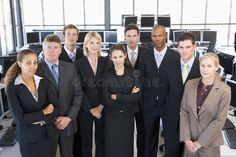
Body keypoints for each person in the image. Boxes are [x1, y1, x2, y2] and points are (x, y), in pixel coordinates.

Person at [4, 49, 59, 157]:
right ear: (20, 64)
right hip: (28, 138)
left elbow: (57, 107)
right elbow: (20, 119)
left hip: (49, 135)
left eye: (35, 62)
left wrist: (39, 119)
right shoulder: (12, 87)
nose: (33, 66)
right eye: (28, 63)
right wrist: (45, 111)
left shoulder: (43, 82)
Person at [36, 34, 83, 157]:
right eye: (49, 47)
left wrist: (69, 118)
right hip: (47, 124)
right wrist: (52, 119)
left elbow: (78, 94)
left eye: (56, 47)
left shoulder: (70, 68)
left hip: (67, 122)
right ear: (43, 49)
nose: (52, 51)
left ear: (60, 50)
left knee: (67, 154)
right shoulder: (36, 70)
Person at [138, 25, 179, 157]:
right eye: (154, 36)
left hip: (169, 104)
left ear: (165, 35)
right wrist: (142, 101)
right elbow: (141, 79)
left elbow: (178, 82)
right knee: (150, 139)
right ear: (151, 37)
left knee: (170, 139)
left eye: (160, 35)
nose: (157, 38)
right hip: (149, 105)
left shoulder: (175, 56)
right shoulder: (144, 55)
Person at [180, 52, 231, 157]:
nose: (205, 69)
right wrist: (186, 138)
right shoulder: (190, 85)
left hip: (210, 143)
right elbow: (184, 112)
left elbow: (219, 120)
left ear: (216, 67)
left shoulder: (224, 90)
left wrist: (199, 143)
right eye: (202, 65)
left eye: (209, 66)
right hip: (190, 142)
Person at [162, 32, 201, 157]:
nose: (184, 51)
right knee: (172, 153)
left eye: (188, 47)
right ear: (177, 48)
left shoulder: (202, 67)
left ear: (195, 47)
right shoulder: (168, 65)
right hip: (172, 118)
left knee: (192, 154)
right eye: (181, 47)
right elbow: (163, 92)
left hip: (194, 120)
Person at [103, 44, 141, 157]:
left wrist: (118, 97)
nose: (118, 60)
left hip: (127, 115)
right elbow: (106, 98)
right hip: (111, 116)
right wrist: (128, 96)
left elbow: (137, 96)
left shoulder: (134, 73)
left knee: (126, 145)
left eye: (120, 56)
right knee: (112, 145)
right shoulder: (106, 75)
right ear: (110, 57)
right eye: (115, 57)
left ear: (125, 55)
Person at [74, 31, 108, 157]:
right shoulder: (78, 63)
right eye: (91, 42)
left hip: (102, 108)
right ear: (86, 44)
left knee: (101, 140)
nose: (95, 45)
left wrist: (100, 106)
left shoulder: (106, 61)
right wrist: (90, 109)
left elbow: (108, 86)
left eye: (97, 43)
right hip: (85, 109)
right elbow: (78, 89)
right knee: (86, 141)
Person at [124, 23, 146, 157]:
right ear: (125, 37)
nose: (131, 39)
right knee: (125, 132)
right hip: (125, 99)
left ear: (138, 36)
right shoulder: (119, 52)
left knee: (142, 131)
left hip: (142, 100)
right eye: (128, 36)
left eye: (134, 36)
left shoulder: (146, 52)